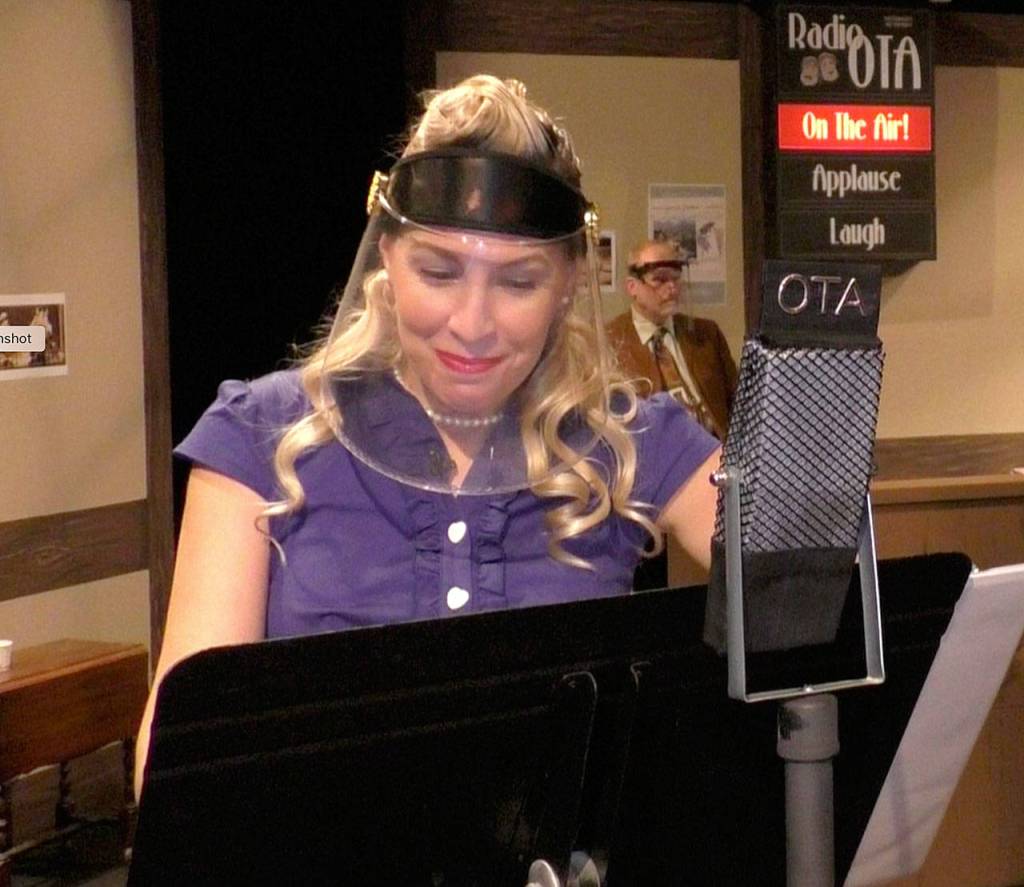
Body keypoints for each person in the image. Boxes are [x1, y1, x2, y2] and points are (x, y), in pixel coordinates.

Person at [134, 75, 721, 796]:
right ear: (386, 256)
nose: (471, 324)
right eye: (438, 272)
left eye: (518, 283)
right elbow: (179, 764)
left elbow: (807, 586)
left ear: (570, 281)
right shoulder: (260, 437)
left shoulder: (631, 440)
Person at [605, 239, 737, 441]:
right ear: (632, 287)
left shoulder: (707, 334)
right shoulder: (610, 342)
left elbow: (738, 402)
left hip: (716, 449)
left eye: (676, 278)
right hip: (653, 454)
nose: (672, 288)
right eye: (659, 280)